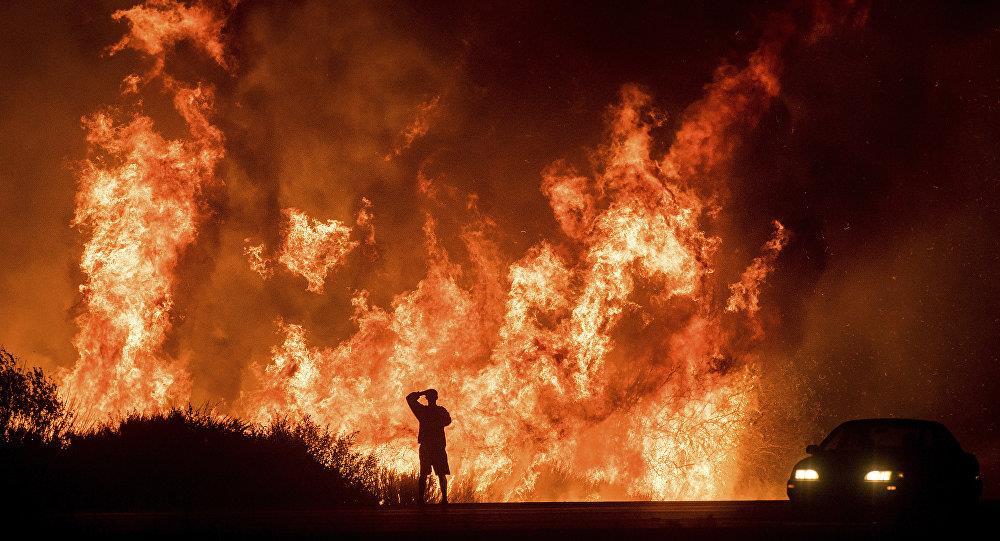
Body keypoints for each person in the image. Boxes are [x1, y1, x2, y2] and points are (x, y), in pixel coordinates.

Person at [406, 388, 451, 505]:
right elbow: (448, 421)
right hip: (438, 446)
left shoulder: (422, 411)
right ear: (436, 398)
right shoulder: (441, 411)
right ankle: (444, 500)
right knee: (441, 474)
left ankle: (421, 500)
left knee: (423, 474)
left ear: (427, 398)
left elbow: (409, 398)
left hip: (427, 446)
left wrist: (421, 393)